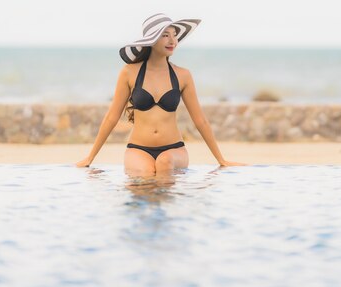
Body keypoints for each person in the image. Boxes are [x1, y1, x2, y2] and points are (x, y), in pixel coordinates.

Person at [76, 13, 246, 175]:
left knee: (165, 162)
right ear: (151, 40)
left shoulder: (183, 75)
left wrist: (221, 159)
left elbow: (200, 120)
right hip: (138, 149)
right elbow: (112, 117)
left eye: (174, 35)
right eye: (165, 35)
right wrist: (90, 157)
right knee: (146, 172)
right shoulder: (129, 73)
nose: (173, 40)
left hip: (174, 149)